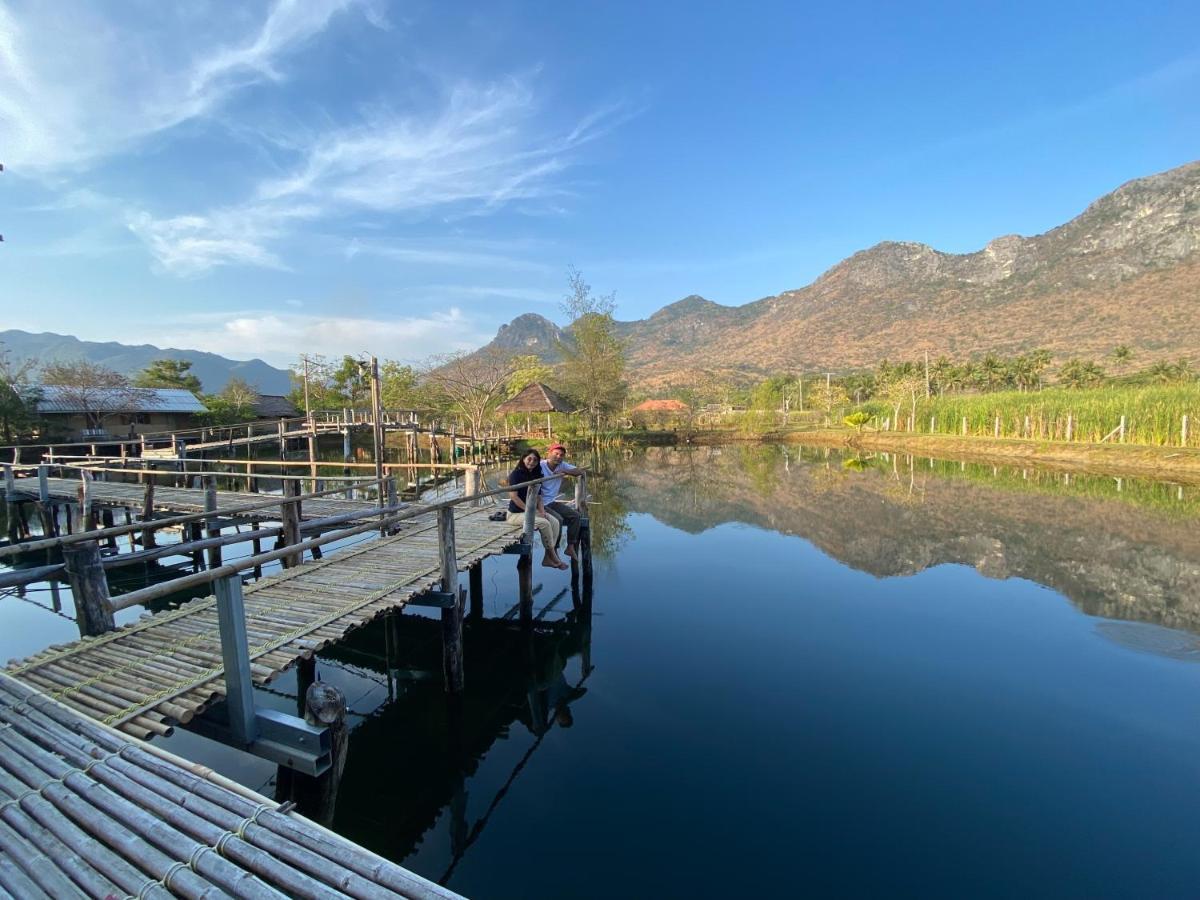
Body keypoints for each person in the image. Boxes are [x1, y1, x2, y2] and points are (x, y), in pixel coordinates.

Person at [506, 449, 569, 570]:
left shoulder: (536, 474)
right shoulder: (516, 474)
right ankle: (554, 556)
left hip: (531, 512)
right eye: (529, 459)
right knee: (544, 523)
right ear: (523, 459)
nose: (532, 462)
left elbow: (539, 497)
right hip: (515, 515)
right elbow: (513, 496)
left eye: (535, 460)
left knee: (554, 522)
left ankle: (547, 558)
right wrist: (529, 511)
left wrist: (542, 511)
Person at [540, 443, 583, 561]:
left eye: (561, 455)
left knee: (575, 516)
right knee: (558, 520)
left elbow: (579, 472)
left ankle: (570, 547)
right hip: (540, 504)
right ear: (549, 454)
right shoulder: (540, 465)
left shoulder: (561, 465)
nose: (558, 457)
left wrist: (564, 471)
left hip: (551, 502)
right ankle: (553, 552)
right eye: (556, 454)